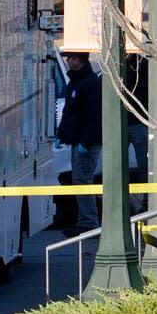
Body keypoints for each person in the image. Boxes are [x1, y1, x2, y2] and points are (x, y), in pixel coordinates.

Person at [56, 51, 102, 236]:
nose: (68, 61)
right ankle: (84, 220)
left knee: (82, 181)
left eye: (71, 58)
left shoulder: (89, 83)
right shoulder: (76, 82)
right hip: (78, 141)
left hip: (87, 143)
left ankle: (89, 222)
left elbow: (94, 116)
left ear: (79, 60)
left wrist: (86, 141)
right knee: (80, 181)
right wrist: (62, 134)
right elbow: (70, 113)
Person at [123, 53, 149, 213]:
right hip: (122, 122)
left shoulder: (143, 65)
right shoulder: (117, 63)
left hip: (140, 122)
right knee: (117, 166)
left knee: (145, 166)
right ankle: (122, 201)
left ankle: (147, 201)